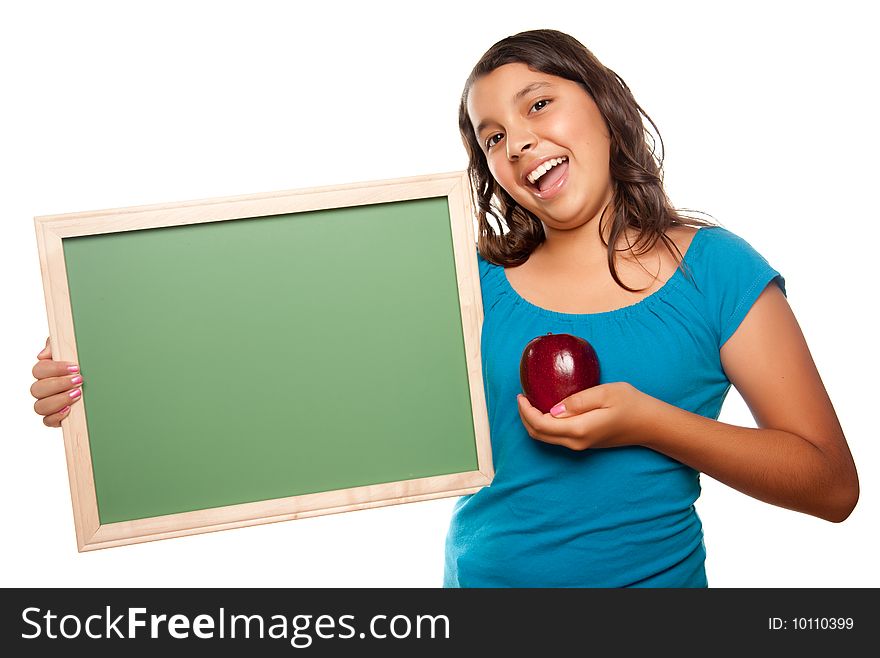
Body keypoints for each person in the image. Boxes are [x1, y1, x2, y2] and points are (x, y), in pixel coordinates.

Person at [30, 29, 859, 588]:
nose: (518, 140)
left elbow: (830, 485)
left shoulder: (716, 270)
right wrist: (98, 370)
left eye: (539, 104)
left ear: (603, 105)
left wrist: (649, 421)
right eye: (491, 136)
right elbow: (279, 366)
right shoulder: (466, 281)